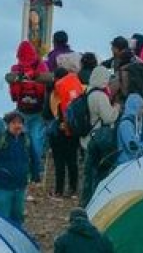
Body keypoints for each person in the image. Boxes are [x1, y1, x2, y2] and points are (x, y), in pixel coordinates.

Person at [0, 111, 40, 226]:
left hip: (20, 185)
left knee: (18, 216)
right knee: (1, 217)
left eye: (20, 123)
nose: (17, 126)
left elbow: (34, 157)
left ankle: (16, 240)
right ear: (7, 124)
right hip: (2, 185)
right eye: (14, 123)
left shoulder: (26, 139)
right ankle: (0, 241)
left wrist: (35, 176)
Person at [9, 39, 50, 179]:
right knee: (36, 143)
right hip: (37, 111)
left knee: (20, 142)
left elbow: (14, 95)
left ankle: (22, 172)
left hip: (22, 111)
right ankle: (36, 173)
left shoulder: (16, 70)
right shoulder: (41, 67)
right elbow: (44, 91)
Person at [81, 65, 120, 206]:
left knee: (88, 172)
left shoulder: (88, 91)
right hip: (99, 138)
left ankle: (85, 201)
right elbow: (109, 117)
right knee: (99, 172)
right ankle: (96, 201)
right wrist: (116, 108)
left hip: (87, 137)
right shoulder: (101, 96)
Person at [51, 66, 85, 198]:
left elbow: (48, 112)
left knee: (59, 162)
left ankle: (59, 190)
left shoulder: (56, 92)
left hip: (59, 132)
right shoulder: (78, 90)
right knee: (72, 161)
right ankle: (73, 189)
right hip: (73, 131)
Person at [116, 93, 143, 164]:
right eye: (141, 108)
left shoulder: (135, 122)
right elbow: (132, 147)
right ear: (134, 107)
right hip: (125, 163)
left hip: (133, 162)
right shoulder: (126, 124)